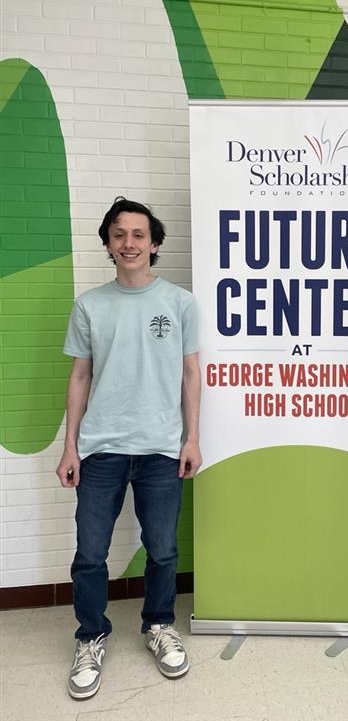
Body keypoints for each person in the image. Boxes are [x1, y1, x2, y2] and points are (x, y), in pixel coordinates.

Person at [56, 197, 201, 700]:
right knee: (90, 553)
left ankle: (158, 625)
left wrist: (192, 438)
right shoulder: (90, 305)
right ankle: (90, 636)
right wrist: (70, 446)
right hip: (100, 449)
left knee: (162, 550)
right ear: (108, 244)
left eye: (139, 235)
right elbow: (80, 376)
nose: (129, 243)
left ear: (154, 244)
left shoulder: (179, 302)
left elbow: (189, 373)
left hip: (162, 447)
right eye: (119, 235)